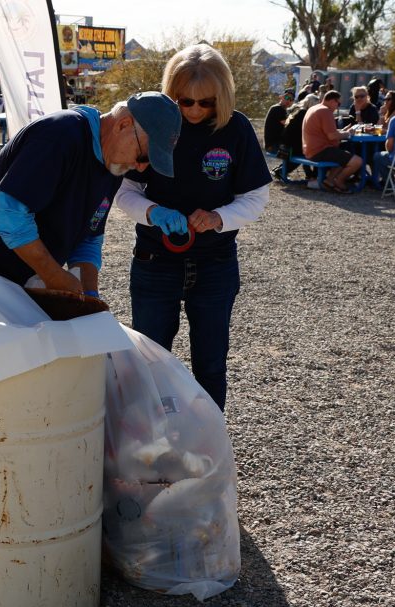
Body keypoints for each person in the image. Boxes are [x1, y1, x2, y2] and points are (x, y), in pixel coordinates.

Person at [113, 44, 269, 411]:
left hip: (215, 263)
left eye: (207, 103)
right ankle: (148, 444)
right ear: (171, 94)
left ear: (223, 97)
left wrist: (219, 218)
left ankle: (208, 446)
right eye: (185, 102)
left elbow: (256, 197)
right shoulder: (152, 123)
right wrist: (153, 212)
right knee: (148, 362)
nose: (196, 111)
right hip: (155, 261)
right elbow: (125, 190)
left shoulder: (237, 129)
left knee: (211, 365)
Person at [0, 92, 181, 300]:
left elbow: (89, 238)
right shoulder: (61, 134)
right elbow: (6, 213)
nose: (140, 168)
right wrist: (53, 275)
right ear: (123, 125)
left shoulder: (114, 166)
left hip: (17, 285)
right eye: (143, 157)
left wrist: (90, 298)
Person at [302, 90, 361, 192]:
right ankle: (339, 182)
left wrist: (342, 131)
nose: (338, 106)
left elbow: (326, 132)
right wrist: (348, 133)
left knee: (345, 155)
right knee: (357, 161)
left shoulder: (314, 108)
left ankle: (329, 181)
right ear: (333, 101)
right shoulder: (325, 111)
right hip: (319, 151)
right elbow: (332, 136)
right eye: (338, 103)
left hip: (310, 150)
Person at [274, 93, 318, 182]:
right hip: (291, 144)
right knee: (306, 153)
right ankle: (281, 171)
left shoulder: (297, 109)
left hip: (286, 141)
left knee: (305, 152)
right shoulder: (304, 113)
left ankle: (309, 175)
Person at [263, 89, 294, 153]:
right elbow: (287, 124)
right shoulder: (278, 108)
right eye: (287, 97)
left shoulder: (283, 110)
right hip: (273, 146)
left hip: (275, 144)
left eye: (291, 99)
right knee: (295, 152)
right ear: (281, 97)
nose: (288, 100)